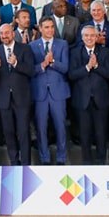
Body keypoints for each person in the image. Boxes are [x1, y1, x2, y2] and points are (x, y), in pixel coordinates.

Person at [68, 25, 109, 165]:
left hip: (101, 100)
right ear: (82, 37)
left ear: (97, 37)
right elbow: (72, 74)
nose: (89, 38)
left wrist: (97, 66)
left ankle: (101, 162)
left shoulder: (105, 52)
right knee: (85, 135)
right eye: (86, 35)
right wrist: (87, 67)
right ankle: (86, 163)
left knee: (101, 134)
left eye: (92, 35)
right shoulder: (75, 52)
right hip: (82, 100)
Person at [0, 24, 34, 165]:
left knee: (23, 133)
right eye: (2, 33)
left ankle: (25, 164)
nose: (4, 36)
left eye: (7, 33)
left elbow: (31, 70)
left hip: (22, 98)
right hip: (4, 99)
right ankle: (14, 163)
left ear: (13, 33)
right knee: (8, 133)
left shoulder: (25, 48)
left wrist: (16, 63)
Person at [31, 18, 70, 165]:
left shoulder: (62, 44)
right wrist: (43, 64)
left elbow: (66, 68)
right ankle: (44, 158)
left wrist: (52, 62)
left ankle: (61, 158)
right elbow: (30, 70)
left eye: (52, 27)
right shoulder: (32, 46)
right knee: (41, 128)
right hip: (40, 93)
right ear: (40, 28)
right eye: (46, 27)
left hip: (58, 92)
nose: (50, 30)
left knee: (61, 127)